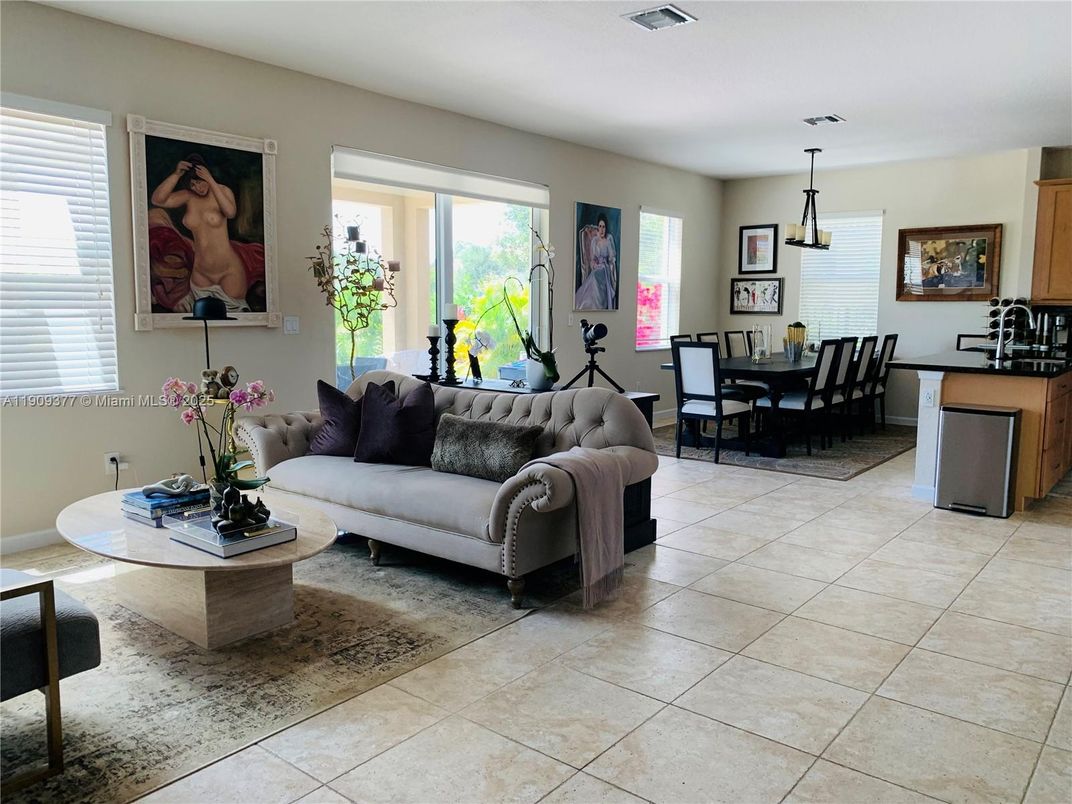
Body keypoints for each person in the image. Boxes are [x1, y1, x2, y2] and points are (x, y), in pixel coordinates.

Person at [150, 154, 251, 313]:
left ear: (206, 174)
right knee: (202, 326)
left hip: (228, 272)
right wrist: (176, 174)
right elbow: (158, 200)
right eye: (193, 184)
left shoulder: (222, 191)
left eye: (200, 181)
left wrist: (210, 181)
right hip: (201, 274)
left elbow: (230, 212)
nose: (198, 188)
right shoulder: (188, 196)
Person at [575, 213, 618, 310]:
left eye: (603, 227)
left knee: (596, 275)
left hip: (605, 269)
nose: (602, 229)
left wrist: (607, 264)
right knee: (593, 277)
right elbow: (592, 259)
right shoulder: (594, 240)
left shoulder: (608, 239)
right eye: (600, 226)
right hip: (597, 268)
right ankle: (589, 305)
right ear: (597, 227)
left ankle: (599, 305)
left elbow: (611, 258)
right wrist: (594, 264)